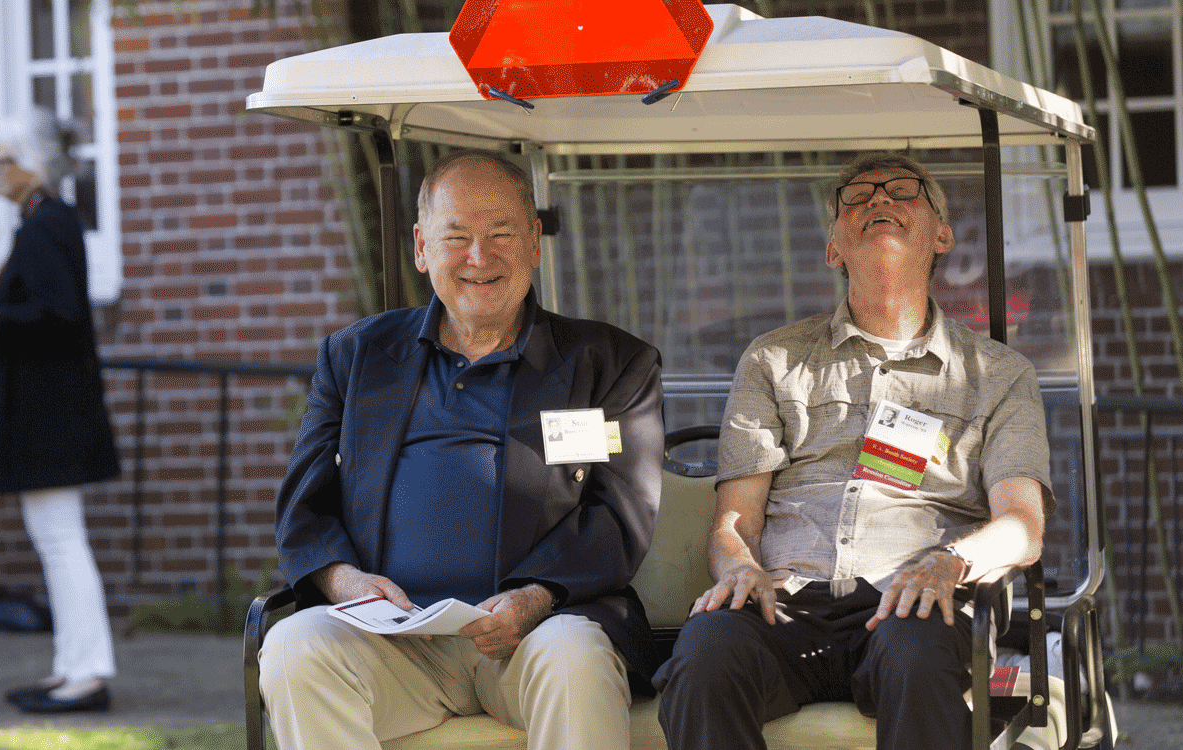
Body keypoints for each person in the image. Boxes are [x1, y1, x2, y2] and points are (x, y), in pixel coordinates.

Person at [258, 151, 664, 750]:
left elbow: (619, 513)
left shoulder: (609, 363)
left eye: (501, 235)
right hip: (395, 647)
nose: (479, 257)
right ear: (422, 248)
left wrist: (534, 598)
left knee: (576, 658)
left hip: (540, 635)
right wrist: (343, 582)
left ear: (533, 242)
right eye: (456, 237)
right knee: (295, 647)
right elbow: (304, 506)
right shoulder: (357, 358)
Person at [653, 153, 1055, 750]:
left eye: (903, 190)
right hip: (786, 604)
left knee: (917, 656)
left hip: (911, 602)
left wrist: (949, 562)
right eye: (856, 197)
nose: (878, 201)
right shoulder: (774, 360)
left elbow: (1024, 526)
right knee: (706, 654)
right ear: (834, 247)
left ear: (941, 236)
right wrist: (741, 570)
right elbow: (734, 522)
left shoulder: (998, 375)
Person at [0, 107, 121, 714]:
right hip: (49, 420)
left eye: (1, 161)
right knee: (56, 539)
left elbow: (59, 318)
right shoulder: (42, 222)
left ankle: (88, 673)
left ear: (30, 167)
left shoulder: (48, 225)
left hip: (50, 422)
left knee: (62, 540)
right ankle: (72, 666)